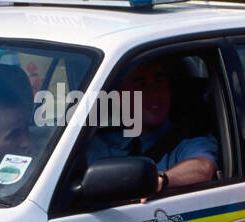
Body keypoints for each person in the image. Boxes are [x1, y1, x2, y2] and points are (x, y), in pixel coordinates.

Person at [85, 60, 218, 197]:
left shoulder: (189, 139)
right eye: (141, 85)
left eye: (159, 82)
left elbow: (203, 168)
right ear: (119, 98)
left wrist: (160, 180)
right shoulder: (97, 143)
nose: (155, 93)